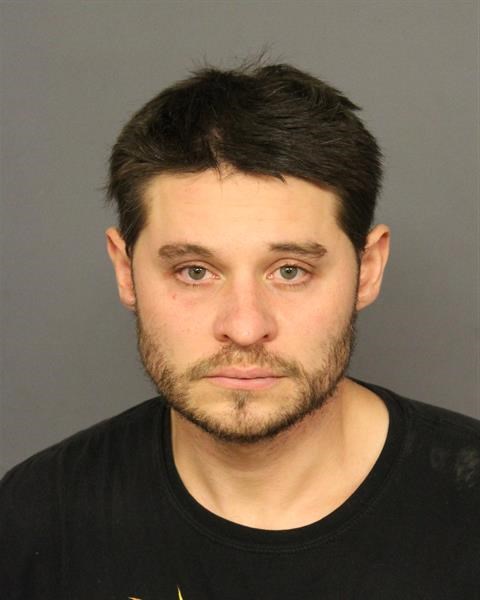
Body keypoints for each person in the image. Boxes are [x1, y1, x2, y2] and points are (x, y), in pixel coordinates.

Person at [1, 60, 479, 599]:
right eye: (195, 272)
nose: (246, 327)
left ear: (367, 270)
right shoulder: (37, 517)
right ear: (125, 271)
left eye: (290, 271)